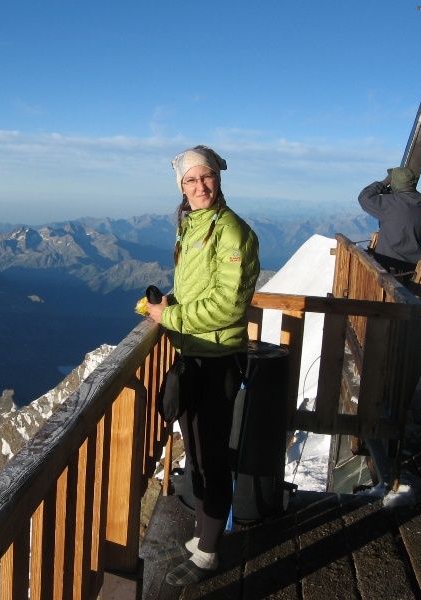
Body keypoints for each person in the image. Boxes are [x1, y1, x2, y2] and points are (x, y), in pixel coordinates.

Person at [146, 145, 260, 586]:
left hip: (216, 357)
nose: (200, 187)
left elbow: (229, 306)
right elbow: (199, 289)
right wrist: (170, 303)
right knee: (195, 453)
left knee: (210, 457)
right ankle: (203, 536)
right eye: (190, 181)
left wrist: (167, 317)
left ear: (219, 179)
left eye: (206, 178)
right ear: (181, 187)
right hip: (195, 353)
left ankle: (209, 554)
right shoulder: (193, 225)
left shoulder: (230, 232)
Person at [358, 167, 421, 276]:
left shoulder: (391, 204)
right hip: (411, 267)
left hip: (388, 265)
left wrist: (383, 183)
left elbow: (364, 197)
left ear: (394, 183)